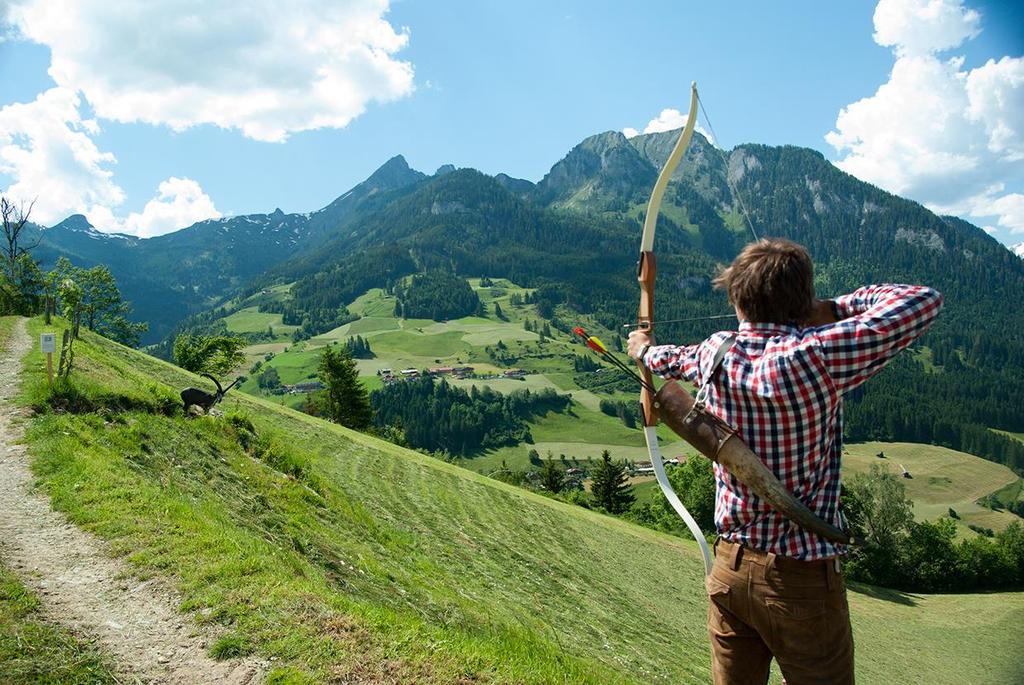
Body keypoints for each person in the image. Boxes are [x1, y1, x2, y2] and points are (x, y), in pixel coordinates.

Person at [627, 238, 942, 685]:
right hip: (803, 582)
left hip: (730, 573)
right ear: (801, 301)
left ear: (736, 296)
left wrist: (641, 347)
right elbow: (922, 300)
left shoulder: (715, 352)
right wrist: (829, 307)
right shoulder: (817, 353)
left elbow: (664, 356)